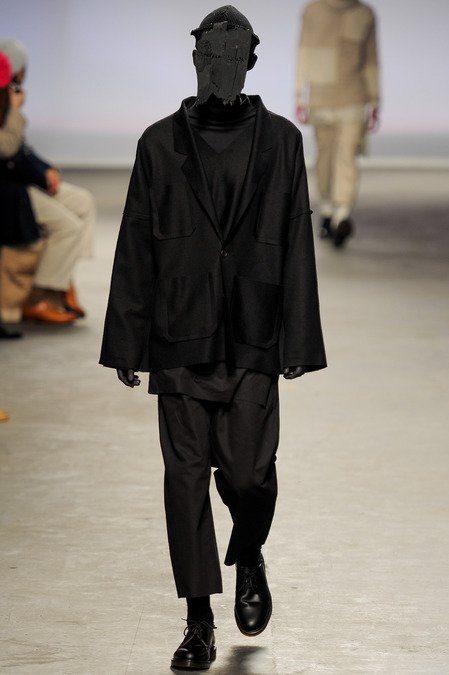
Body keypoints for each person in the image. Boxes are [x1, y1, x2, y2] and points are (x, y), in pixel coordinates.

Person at [100, 6, 326, 670]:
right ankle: (198, 620)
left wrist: (298, 339)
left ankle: (248, 551)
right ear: (196, 58)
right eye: (211, 56)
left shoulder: (282, 142)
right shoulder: (158, 144)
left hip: (253, 330)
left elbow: (296, 241)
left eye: (232, 56)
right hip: (179, 332)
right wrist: (127, 340)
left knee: (250, 477)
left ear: (250, 61)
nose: (220, 67)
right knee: (184, 480)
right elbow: (136, 242)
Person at [0, 38, 96, 322]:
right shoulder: (7, 101)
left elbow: (21, 149)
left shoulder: (8, 96)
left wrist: (46, 169)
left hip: (22, 180)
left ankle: (63, 282)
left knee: (83, 202)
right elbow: (7, 151)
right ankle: (40, 295)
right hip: (12, 188)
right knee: (69, 227)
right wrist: (14, 111)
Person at [296, 0, 380, 247]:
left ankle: (332, 213)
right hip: (346, 99)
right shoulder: (362, 13)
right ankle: (337, 212)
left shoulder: (315, 11)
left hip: (330, 99)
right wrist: (374, 100)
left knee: (331, 157)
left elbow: (303, 53)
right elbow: (370, 61)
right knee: (341, 158)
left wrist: (300, 96)